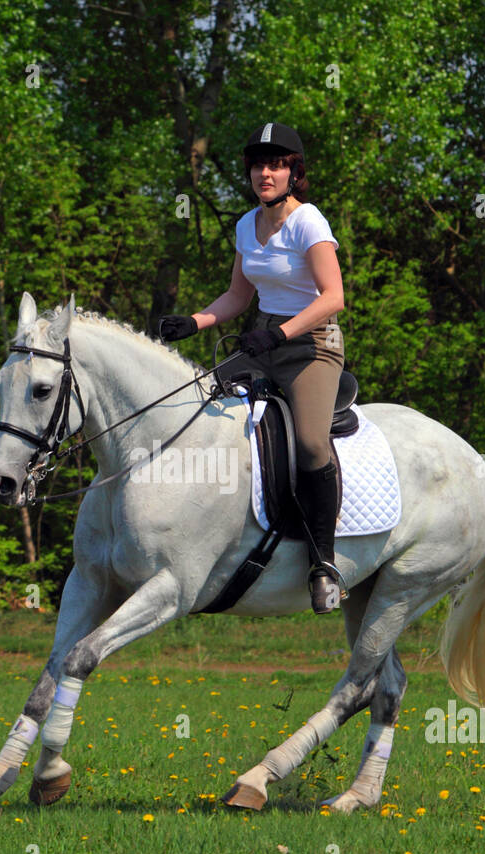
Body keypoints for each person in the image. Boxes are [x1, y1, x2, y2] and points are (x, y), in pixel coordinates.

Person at [159, 122, 347, 614]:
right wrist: (194, 322)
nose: (266, 173)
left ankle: (324, 563)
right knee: (201, 411)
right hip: (263, 338)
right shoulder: (246, 225)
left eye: (277, 164)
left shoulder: (310, 223)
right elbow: (239, 296)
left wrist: (280, 334)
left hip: (312, 345)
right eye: (259, 165)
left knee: (309, 442)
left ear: (293, 172)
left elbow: (335, 297)